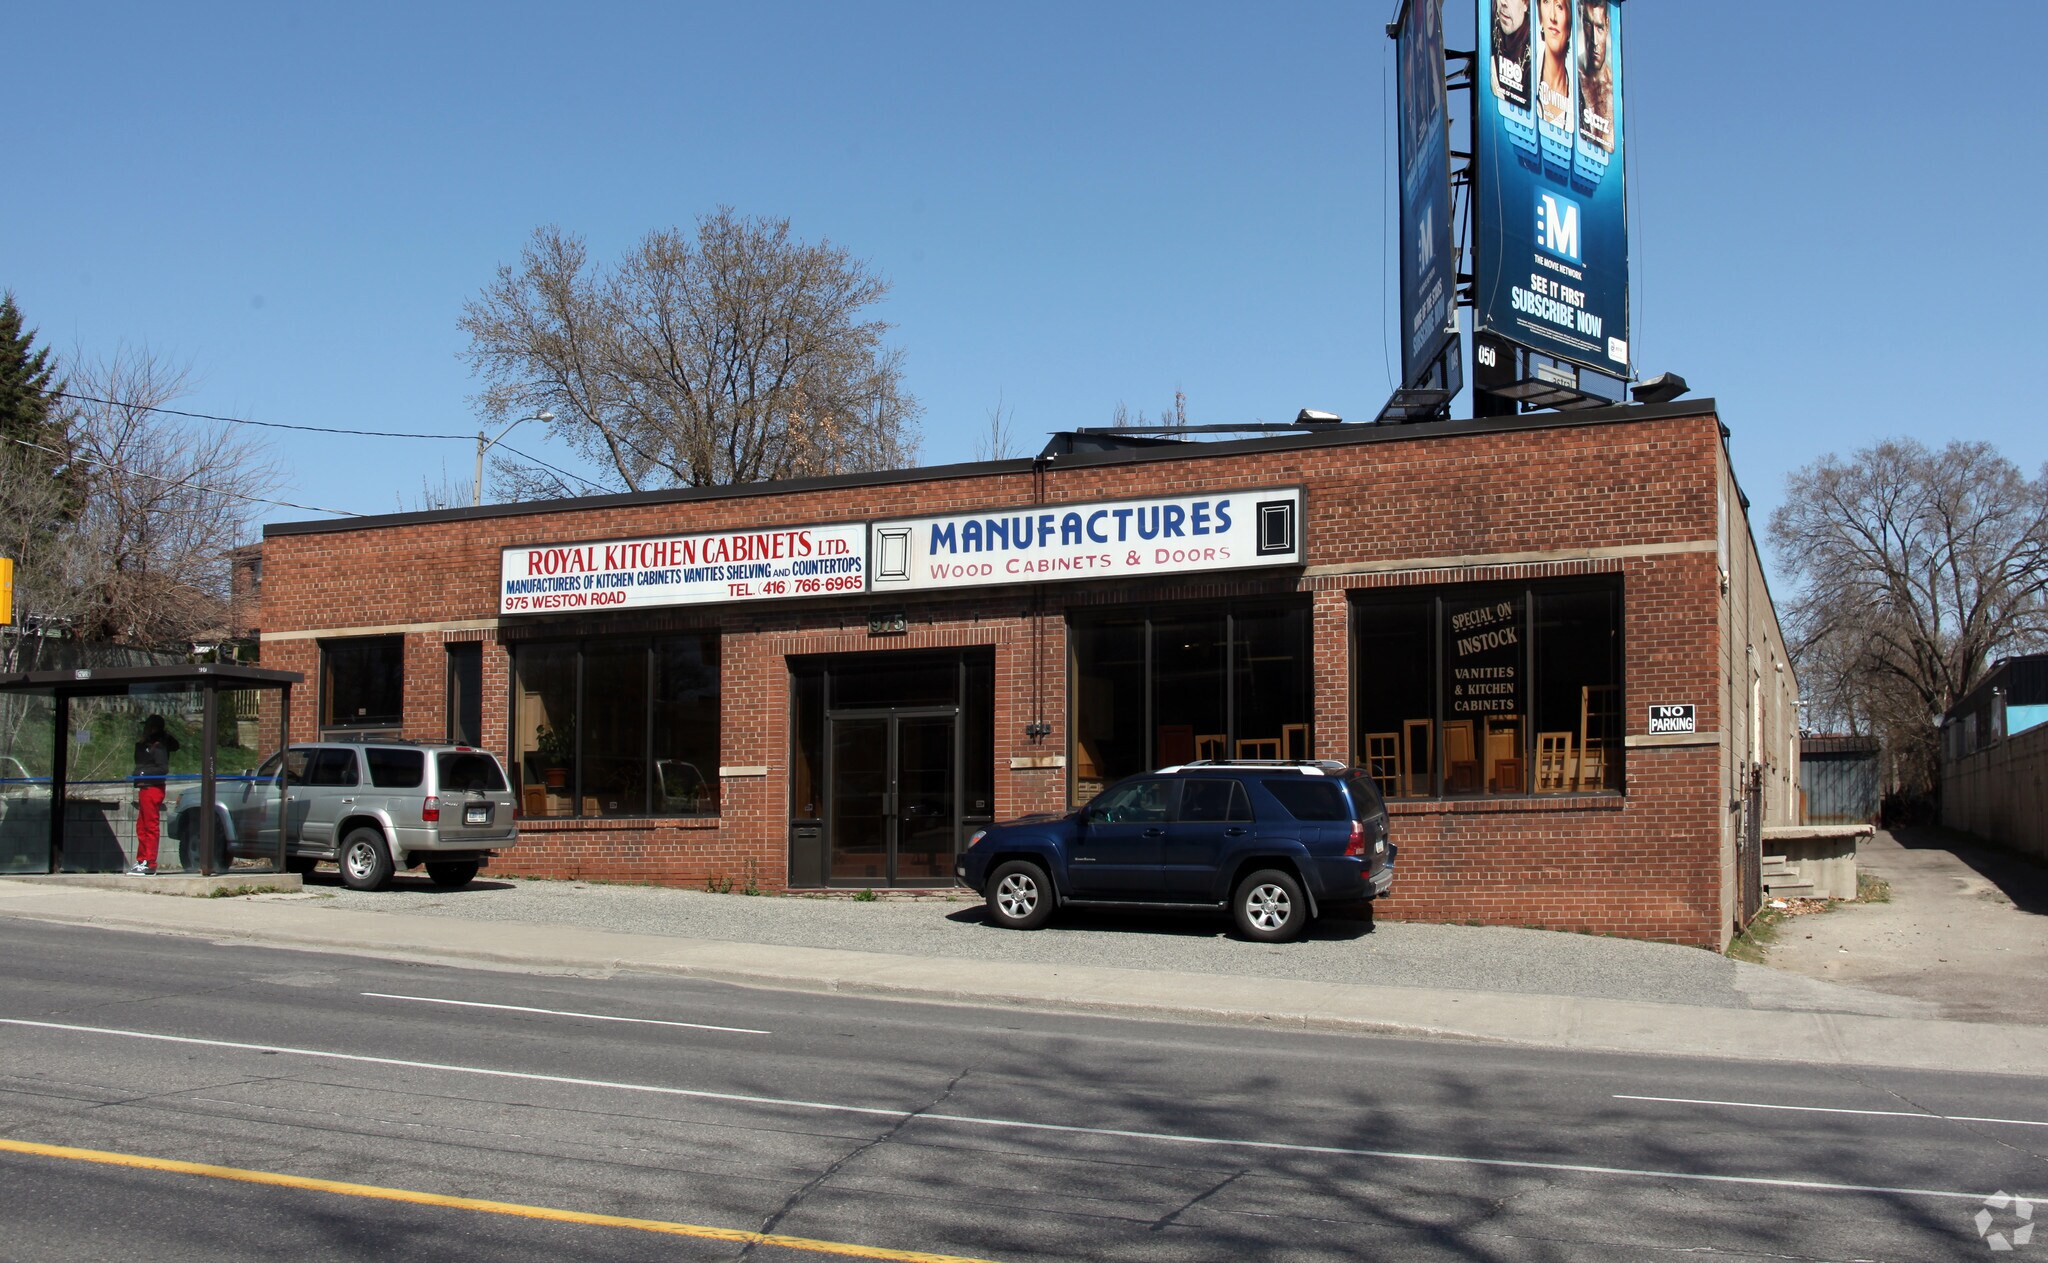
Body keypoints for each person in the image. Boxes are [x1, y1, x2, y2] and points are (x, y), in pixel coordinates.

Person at [129, 714, 179, 876]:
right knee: (141, 826)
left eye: (147, 727)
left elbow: (162, 768)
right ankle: (142, 859)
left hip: (152, 787)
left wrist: (142, 773)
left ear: (153, 728)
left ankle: (149, 862)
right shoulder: (148, 745)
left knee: (150, 826)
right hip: (145, 787)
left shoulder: (158, 746)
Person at [1538, 0, 1574, 126]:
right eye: (1546, 2)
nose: (1552, 17)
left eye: (1560, 6)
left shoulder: (1579, 107)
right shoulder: (1521, 72)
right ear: (1540, 17)